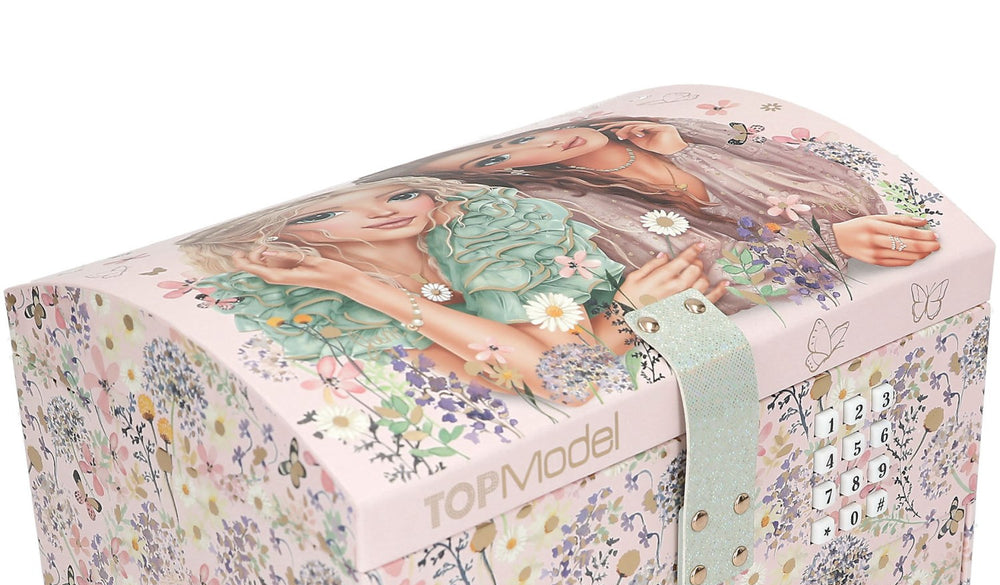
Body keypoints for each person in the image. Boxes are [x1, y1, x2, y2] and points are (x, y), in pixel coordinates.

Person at [177, 177, 727, 404]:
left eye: (401, 195)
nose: (381, 213)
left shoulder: (499, 236)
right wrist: (629, 317)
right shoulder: (322, 308)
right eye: (323, 214)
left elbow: (567, 373)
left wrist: (598, 342)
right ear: (275, 239)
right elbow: (570, 382)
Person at [361, 118, 941, 314]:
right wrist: (826, 244)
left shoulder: (695, 136)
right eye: (496, 161)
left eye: (518, 139)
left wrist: (687, 147)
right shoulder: (586, 212)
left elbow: (847, 191)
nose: (536, 147)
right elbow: (698, 283)